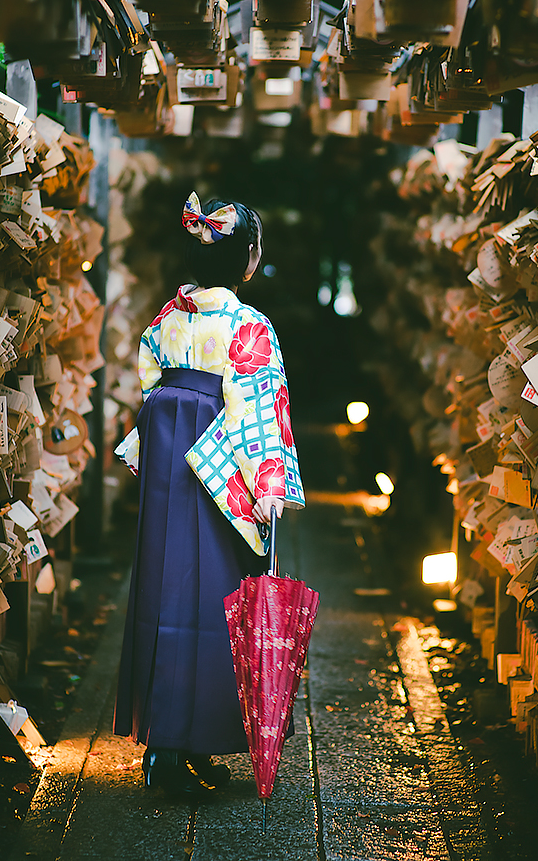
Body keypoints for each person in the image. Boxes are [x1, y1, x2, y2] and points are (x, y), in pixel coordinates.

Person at [113, 193, 304, 796]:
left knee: (165, 594)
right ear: (248, 262)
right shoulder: (248, 327)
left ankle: (170, 743)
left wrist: (161, 434)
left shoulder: (167, 319)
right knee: (213, 598)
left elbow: (149, 380)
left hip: (172, 453)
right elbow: (256, 411)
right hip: (219, 465)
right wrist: (269, 483)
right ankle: (180, 747)